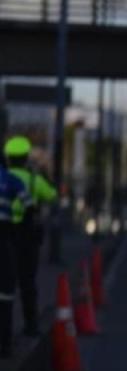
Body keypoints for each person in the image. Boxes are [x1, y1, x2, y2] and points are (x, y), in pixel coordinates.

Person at [5, 136, 58, 338]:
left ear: (8, 157)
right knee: (28, 283)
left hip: (5, 234)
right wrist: (44, 174)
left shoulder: (3, 177)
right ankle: (30, 325)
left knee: (5, 284)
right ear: (26, 157)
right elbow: (52, 195)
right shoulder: (34, 180)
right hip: (27, 238)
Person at [0, 156, 28, 358]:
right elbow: (29, 204)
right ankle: (5, 344)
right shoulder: (11, 180)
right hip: (4, 237)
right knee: (5, 293)